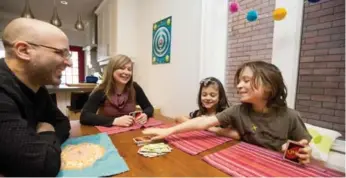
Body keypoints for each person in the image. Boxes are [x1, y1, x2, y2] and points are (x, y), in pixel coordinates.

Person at [144, 61, 312, 164]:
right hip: (242, 164)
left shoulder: (291, 116)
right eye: (239, 82)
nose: (238, 86)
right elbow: (202, 121)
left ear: (269, 86)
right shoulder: (237, 111)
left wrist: (301, 153)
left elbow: (303, 150)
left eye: (246, 80)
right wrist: (167, 131)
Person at [0, 18, 71, 176]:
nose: (69, 63)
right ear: (23, 51)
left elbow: (62, 123)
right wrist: (46, 133)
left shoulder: (36, 86)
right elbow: (41, 167)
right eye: (60, 52)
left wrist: (40, 144)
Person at [80, 54, 154, 127]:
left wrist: (145, 114)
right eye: (122, 68)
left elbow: (149, 107)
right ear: (112, 70)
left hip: (130, 131)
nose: (126, 72)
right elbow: (85, 116)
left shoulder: (134, 87)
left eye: (129, 69)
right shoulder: (102, 90)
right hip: (107, 134)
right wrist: (114, 121)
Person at [175, 77, 240, 139]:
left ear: (220, 97)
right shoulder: (199, 113)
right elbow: (178, 118)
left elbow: (236, 135)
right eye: (204, 95)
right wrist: (196, 124)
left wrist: (206, 126)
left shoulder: (224, 114)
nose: (208, 98)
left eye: (212, 95)